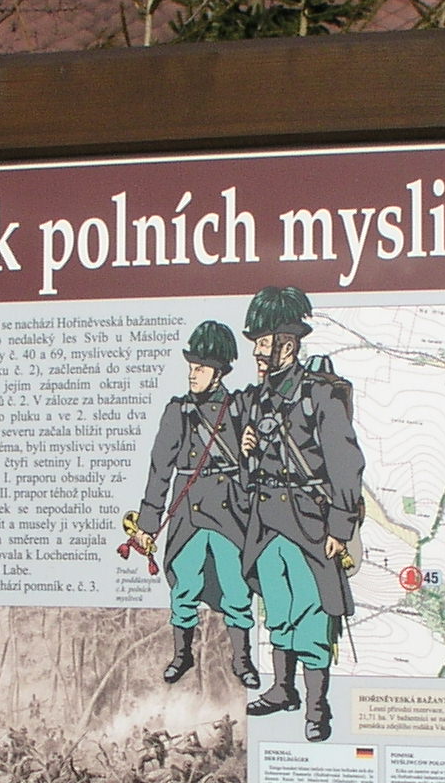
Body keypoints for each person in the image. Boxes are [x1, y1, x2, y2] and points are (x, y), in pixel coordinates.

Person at [233, 287, 364, 742]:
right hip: (267, 524)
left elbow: (346, 464)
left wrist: (340, 527)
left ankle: (316, 709)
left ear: (287, 346)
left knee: (311, 616)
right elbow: (248, 472)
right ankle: (282, 690)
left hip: (310, 525)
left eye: (263, 342)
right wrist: (247, 452)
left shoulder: (319, 396)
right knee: (278, 611)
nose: (257, 352)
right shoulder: (256, 399)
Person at [130, 320, 262, 688]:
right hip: (188, 513)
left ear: (219, 372)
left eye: (201, 368)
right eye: (192, 367)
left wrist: (249, 453)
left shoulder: (239, 408)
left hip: (229, 513)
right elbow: (160, 469)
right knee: (184, 588)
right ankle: (182, 655)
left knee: (236, 590)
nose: (193, 374)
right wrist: (147, 524)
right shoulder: (177, 411)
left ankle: (242, 660)